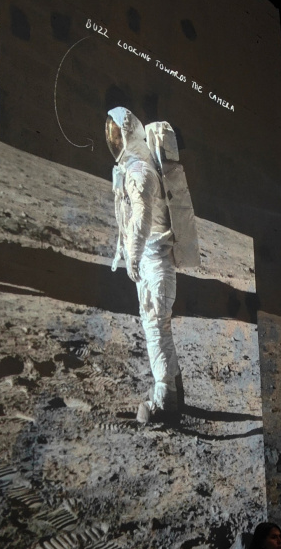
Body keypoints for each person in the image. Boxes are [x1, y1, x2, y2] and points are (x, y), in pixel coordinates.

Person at [105, 107, 184, 423]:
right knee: (159, 329)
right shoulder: (142, 167)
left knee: (156, 332)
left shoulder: (139, 172)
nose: (113, 142)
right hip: (156, 264)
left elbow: (140, 220)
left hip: (154, 264)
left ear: (128, 135)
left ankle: (165, 403)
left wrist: (133, 255)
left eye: (115, 135)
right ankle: (176, 392)